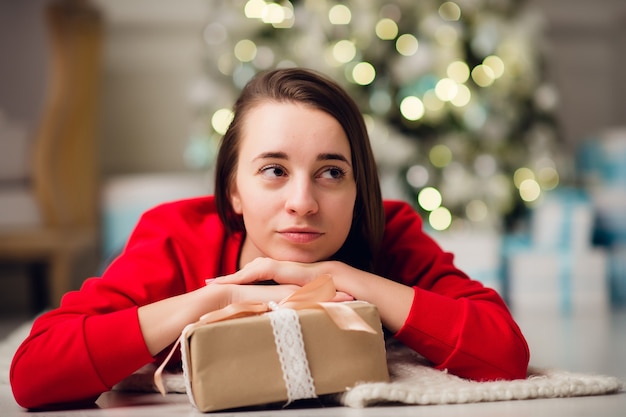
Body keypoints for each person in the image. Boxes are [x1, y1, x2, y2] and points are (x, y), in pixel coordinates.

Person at [10, 67, 529, 410]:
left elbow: (504, 353)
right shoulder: (176, 235)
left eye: (331, 173)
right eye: (274, 170)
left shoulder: (389, 232)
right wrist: (220, 296)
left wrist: (345, 278)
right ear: (233, 191)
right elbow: (35, 371)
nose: (303, 202)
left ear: (358, 189)